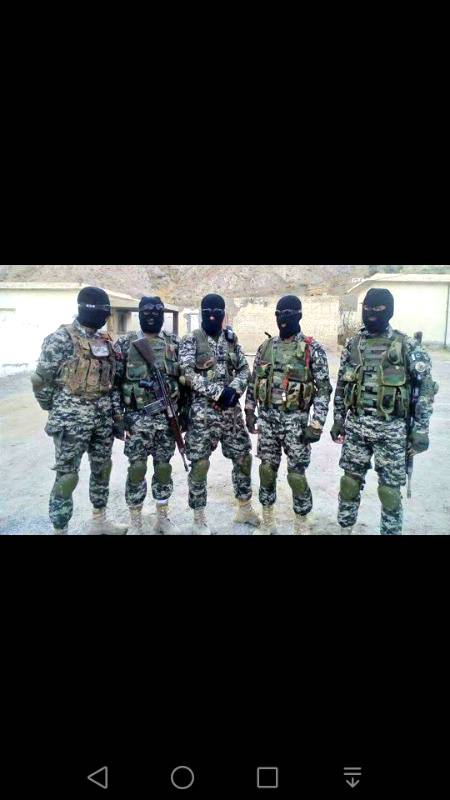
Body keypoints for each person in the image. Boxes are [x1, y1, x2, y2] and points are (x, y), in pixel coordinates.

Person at [331, 288, 437, 535]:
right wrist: (338, 419)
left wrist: (421, 431)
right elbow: (342, 385)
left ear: (389, 310)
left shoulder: (407, 346)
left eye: (378, 309)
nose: (371, 314)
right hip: (356, 427)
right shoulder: (354, 345)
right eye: (367, 308)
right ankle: (345, 530)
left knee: (389, 493)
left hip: (391, 430)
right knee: (349, 484)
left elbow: (425, 390)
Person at [31, 287, 128, 535]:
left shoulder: (106, 340)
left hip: (102, 419)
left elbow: (113, 381)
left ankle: (99, 521)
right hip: (70, 420)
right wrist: (56, 407)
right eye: (103, 311)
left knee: (102, 469)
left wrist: (116, 415)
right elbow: (41, 380)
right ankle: (60, 529)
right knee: (67, 476)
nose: (105, 316)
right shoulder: (60, 339)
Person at [245, 295, 332, 535]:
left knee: (296, 476)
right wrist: (249, 410)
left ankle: (301, 524)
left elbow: (324, 389)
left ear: (299, 315)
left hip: (297, 424)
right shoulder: (265, 347)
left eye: (289, 314)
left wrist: (317, 423)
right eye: (279, 314)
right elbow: (254, 382)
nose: (283, 319)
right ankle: (268, 521)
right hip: (268, 422)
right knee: (266, 471)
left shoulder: (312, 349)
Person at [179, 294, 261, 534]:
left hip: (231, 413)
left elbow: (244, 369)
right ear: (201, 312)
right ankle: (198, 519)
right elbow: (186, 373)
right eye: (208, 310)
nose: (213, 315)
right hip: (202, 415)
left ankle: (244, 509)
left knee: (243, 458)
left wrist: (234, 389)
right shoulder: (191, 340)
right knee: (200, 464)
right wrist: (217, 393)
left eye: (218, 310)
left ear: (224, 313)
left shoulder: (231, 340)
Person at [114, 297, 182, 534]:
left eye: (157, 311)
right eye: (146, 311)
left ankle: (162, 518)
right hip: (136, 421)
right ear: (139, 313)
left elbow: (184, 382)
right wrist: (118, 418)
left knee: (163, 469)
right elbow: (114, 383)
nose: (151, 315)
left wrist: (183, 416)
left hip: (166, 420)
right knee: (137, 469)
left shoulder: (174, 343)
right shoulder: (126, 344)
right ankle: (136, 522)